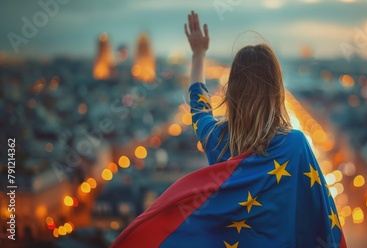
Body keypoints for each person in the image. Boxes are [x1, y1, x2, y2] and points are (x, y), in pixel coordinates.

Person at [111, 11, 346, 248]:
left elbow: (199, 108)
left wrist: (198, 54)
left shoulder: (219, 140)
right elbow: (319, 217)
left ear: (231, 91)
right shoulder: (295, 145)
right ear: (277, 91)